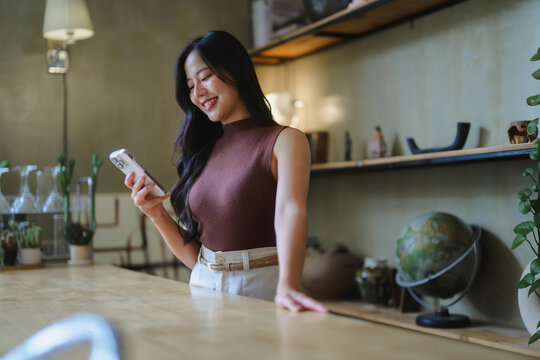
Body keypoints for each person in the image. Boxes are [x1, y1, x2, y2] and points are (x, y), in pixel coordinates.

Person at [125, 30, 328, 313]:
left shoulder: (285, 140)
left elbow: (290, 211)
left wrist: (288, 285)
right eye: (190, 86)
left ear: (236, 70)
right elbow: (197, 258)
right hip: (203, 286)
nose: (198, 93)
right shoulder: (201, 150)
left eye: (205, 77)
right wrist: (156, 214)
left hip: (263, 285)